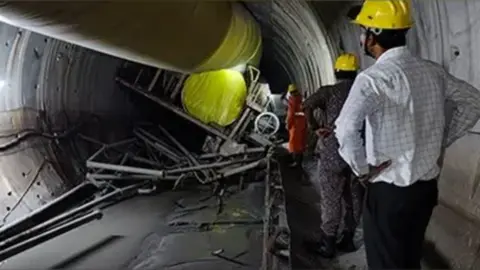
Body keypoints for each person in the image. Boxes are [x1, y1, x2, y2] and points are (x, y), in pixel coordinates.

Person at [334, 0, 480, 269]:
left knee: (385, 262)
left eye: (363, 30)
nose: (361, 37)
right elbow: (473, 101)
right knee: (409, 257)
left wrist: (362, 169)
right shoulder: (433, 72)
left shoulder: (373, 79)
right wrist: (443, 138)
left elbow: (345, 127)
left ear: (373, 35)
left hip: (389, 191)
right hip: (424, 191)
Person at [302, 53, 365, 258]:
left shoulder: (329, 92)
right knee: (353, 197)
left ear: (337, 71)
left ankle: (328, 242)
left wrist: (315, 127)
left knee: (331, 198)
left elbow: (307, 105)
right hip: (357, 154)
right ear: (355, 72)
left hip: (333, 153)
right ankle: (347, 238)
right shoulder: (364, 91)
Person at [286, 84, 307, 167]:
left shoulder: (292, 100)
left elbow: (291, 114)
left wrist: (288, 124)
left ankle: (296, 162)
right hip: (303, 123)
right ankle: (300, 162)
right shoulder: (301, 98)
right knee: (301, 143)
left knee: (294, 145)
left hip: (295, 125)